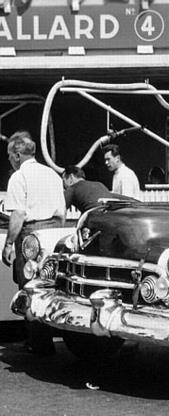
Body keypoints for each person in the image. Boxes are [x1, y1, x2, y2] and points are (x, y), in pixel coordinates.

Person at [2, 131, 65, 355]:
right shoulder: (53, 175)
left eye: (10, 155)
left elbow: (18, 214)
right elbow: (62, 212)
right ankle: (47, 337)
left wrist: (9, 244)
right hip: (55, 233)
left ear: (18, 155)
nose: (9, 159)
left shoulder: (19, 177)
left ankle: (38, 343)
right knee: (51, 287)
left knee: (29, 288)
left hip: (31, 235)